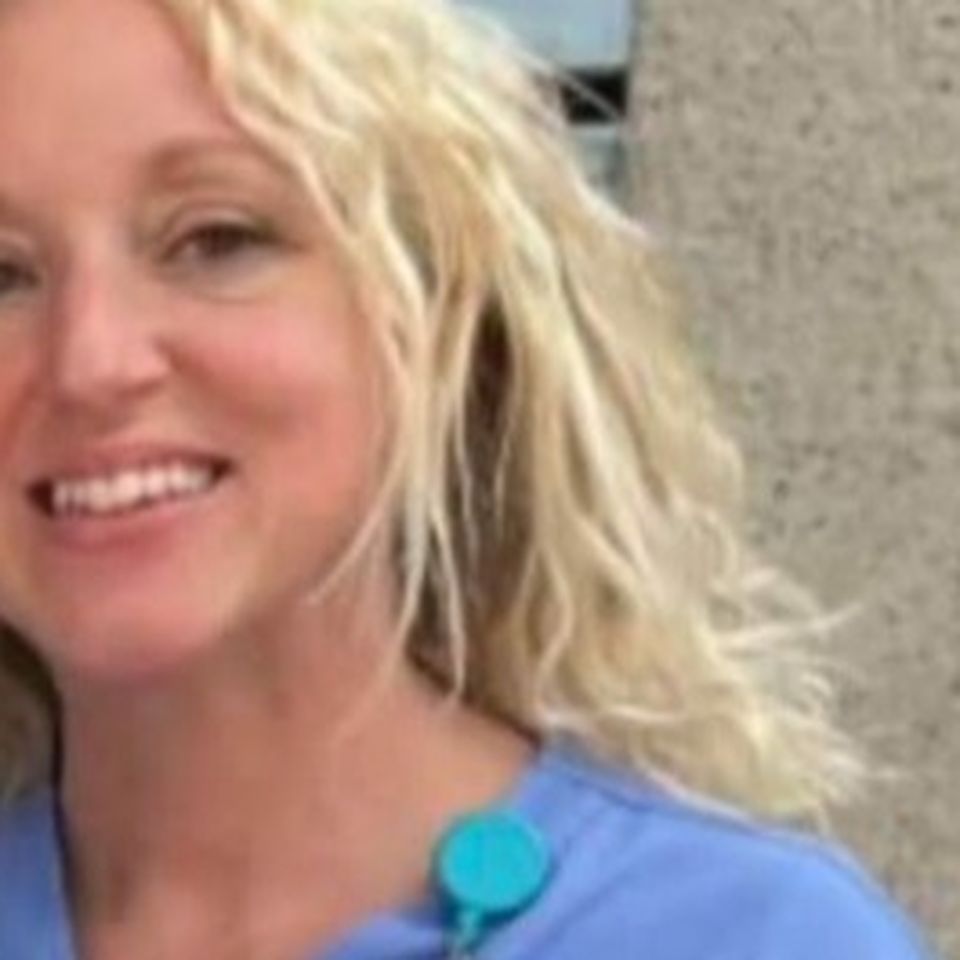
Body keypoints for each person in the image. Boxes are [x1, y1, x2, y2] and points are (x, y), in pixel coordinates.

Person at [0, 0, 938, 958]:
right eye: (1, 277)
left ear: (438, 315)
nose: (90, 361)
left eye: (214, 238)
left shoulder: (744, 937)